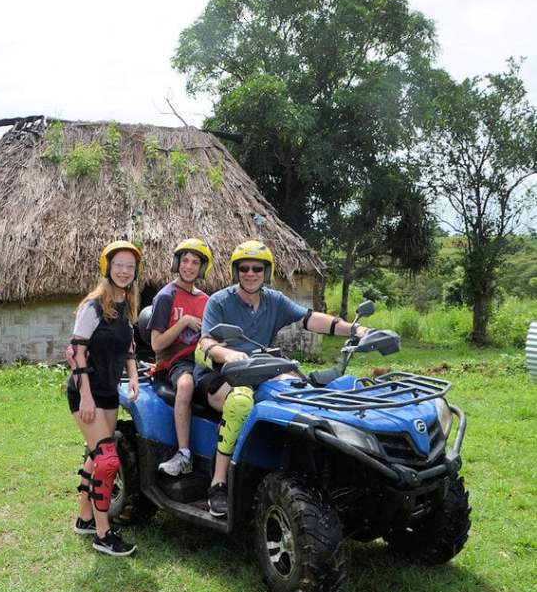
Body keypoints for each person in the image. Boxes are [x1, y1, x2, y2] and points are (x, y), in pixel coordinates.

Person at [195, 240, 369, 518]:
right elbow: (205, 343)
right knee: (240, 402)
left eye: (257, 268)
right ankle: (218, 483)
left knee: (303, 391)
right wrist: (227, 354)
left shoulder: (273, 300)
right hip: (220, 375)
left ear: (267, 271)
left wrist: (356, 330)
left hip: (262, 370)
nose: (250, 273)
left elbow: (311, 319)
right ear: (235, 271)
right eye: (244, 268)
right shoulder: (220, 301)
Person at [65, 241, 141, 556]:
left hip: (110, 391)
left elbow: (129, 344)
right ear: (107, 267)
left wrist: (134, 375)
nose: (124, 271)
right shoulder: (93, 306)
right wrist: (85, 395)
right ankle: (103, 533)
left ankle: (85, 519)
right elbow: (76, 350)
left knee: (97, 457)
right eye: (119, 264)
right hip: (88, 392)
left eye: (130, 267)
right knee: (109, 461)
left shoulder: (127, 303)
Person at [148, 238, 213, 476]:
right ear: (177, 263)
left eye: (195, 262)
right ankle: (184, 454)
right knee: (186, 385)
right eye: (185, 260)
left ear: (202, 268)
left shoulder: (206, 300)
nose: (189, 266)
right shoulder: (166, 296)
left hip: (202, 359)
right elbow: (156, 344)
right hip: (175, 362)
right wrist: (183, 322)